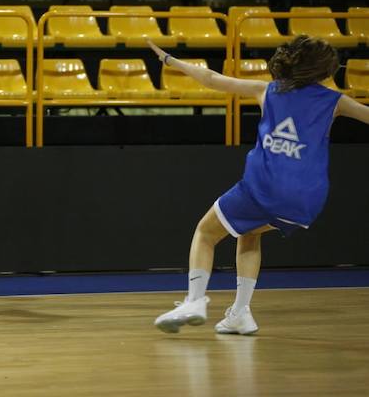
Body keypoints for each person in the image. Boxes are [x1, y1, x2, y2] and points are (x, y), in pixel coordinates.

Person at [148, 36, 369, 334]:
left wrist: (169, 60)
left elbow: (212, 78)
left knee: (205, 233)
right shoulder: (335, 101)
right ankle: (240, 313)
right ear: (324, 70)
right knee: (249, 233)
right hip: (307, 201)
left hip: (264, 188)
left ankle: (195, 300)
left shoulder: (267, 91)